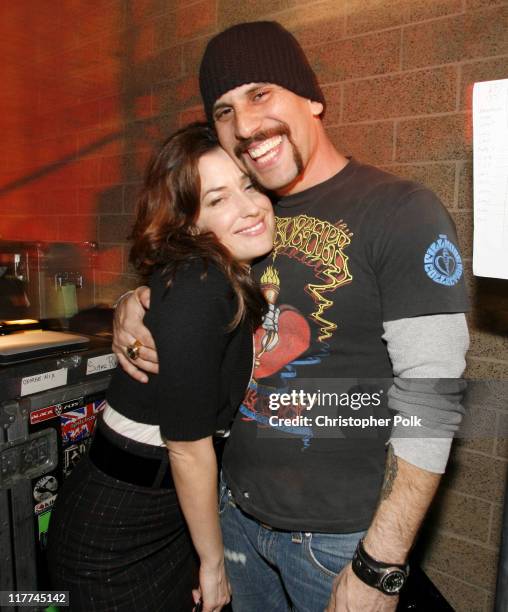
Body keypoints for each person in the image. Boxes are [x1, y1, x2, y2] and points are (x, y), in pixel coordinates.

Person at [113, 22, 470, 612]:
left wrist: (380, 564)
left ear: (312, 98)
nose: (246, 127)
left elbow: (434, 400)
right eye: (224, 110)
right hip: (237, 520)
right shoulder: (246, 217)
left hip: (338, 545)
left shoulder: (402, 211)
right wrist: (137, 301)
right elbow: (184, 276)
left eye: (262, 94)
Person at [47, 122, 275, 612]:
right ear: (189, 223)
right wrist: (213, 563)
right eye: (217, 200)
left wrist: (131, 298)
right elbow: (187, 448)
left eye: (249, 185)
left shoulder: (222, 272)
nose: (249, 206)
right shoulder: (200, 283)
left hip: (167, 512)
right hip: (117, 529)